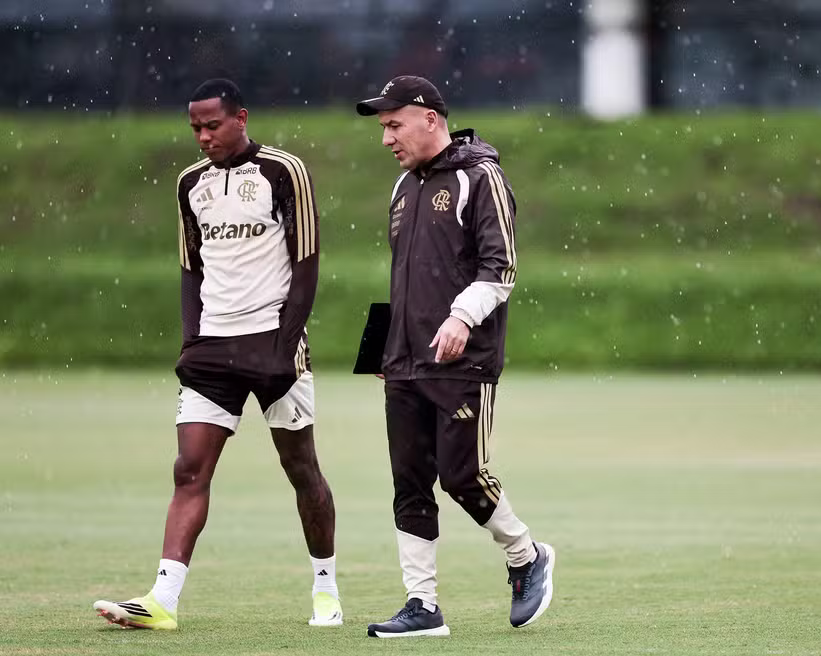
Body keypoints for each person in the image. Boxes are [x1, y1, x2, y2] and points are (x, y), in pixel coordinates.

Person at [93, 78, 342, 630]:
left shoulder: (284, 171)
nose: (203, 137)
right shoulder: (188, 184)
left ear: (241, 118)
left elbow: (307, 263)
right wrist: (191, 339)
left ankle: (326, 588)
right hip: (212, 348)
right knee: (189, 470)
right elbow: (191, 269)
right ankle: (163, 600)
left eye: (212, 125)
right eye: (195, 129)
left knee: (301, 469)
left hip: (275, 345)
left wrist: (286, 342)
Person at [355, 75, 555, 638]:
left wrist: (461, 317)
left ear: (429, 118)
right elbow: (403, 279)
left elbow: (501, 268)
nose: (387, 138)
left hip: (463, 359)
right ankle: (423, 607)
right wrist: (382, 346)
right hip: (403, 361)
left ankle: (525, 555)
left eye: (394, 125)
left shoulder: (480, 176)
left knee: (463, 474)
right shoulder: (402, 189)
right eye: (383, 128)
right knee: (408, 480)